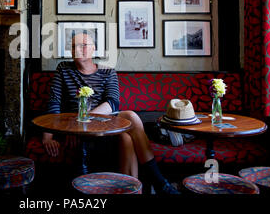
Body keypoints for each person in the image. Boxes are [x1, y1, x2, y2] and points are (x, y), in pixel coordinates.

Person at [42, 31, 180, 194]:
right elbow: (54, 101)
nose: (78, 49)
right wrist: (48, 137)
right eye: (74, 46)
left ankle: (155, 183)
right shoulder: (64, 69)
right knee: (126, 138)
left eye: (83, 45)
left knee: (131, 117)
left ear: (93, 49)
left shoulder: (108, 72)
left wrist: (83, 120)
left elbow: (113, 104)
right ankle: (150, 185)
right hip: (74, 129)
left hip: (105, 126)